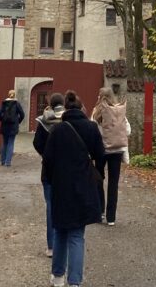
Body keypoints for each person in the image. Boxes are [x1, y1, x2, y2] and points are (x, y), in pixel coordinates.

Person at [42, 90, 104, 287]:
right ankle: (75, 281)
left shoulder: (57, 131)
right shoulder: (91, 127)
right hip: (83, 185)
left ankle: (57, 276)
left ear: (66, 109)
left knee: (60, 230)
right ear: (81, 108)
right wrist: (97, 174)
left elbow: (48, 160)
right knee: (77, 234)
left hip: (61, 186)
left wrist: (51, 181)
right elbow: (101, 156)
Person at [32, 92, 65, 258]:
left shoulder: (43, 121)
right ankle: (63, 242)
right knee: (65, 204)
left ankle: (51, 246)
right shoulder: (68, 120)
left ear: (50, 105)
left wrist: (46, 155)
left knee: (50, 206)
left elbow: (36, 142)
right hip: (66, 169)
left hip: (49, 169)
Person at [91, 86, 129, 226]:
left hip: (101, 150)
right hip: (117, 150)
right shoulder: (119, 110)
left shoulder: (97, 112)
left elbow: (93, 130)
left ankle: (100, 211)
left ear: (100, 96)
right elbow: (128, 130)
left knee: (98, 180)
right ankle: (111, 218)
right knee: (113, 183)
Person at [0, 89, 26, 166]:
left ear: (8, 95)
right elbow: (22, 114)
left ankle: (2, 161)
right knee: (11, 143)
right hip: (13, 126)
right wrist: (18, 121)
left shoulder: (4, 103)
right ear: (14, 95)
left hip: (5, 125)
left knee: (5, 143)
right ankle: (8, 162)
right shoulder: (16, 104)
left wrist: (2, 120)